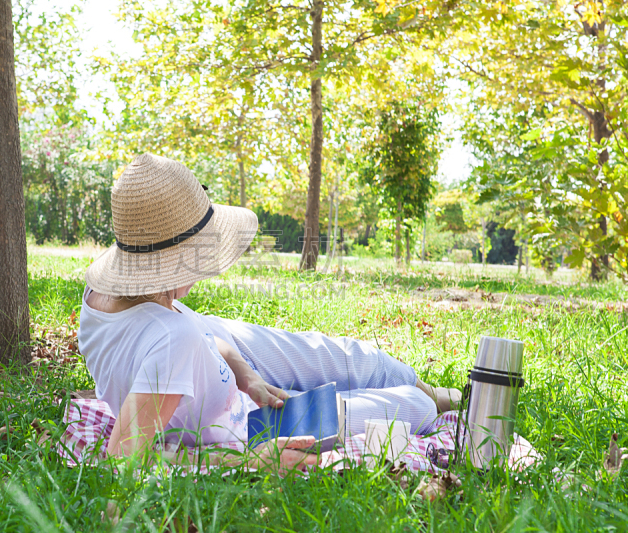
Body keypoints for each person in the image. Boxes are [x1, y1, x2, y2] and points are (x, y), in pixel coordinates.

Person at [78, 153, 461, 473]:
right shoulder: (171, 339)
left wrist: (247, 376)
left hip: (245, 396)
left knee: (353, 359)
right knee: (416, 406)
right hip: (255, 431)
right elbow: (124, 457)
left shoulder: (102, 300)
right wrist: (249, 461)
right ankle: (448, 398)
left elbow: (201, 342)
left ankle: (450, 394)